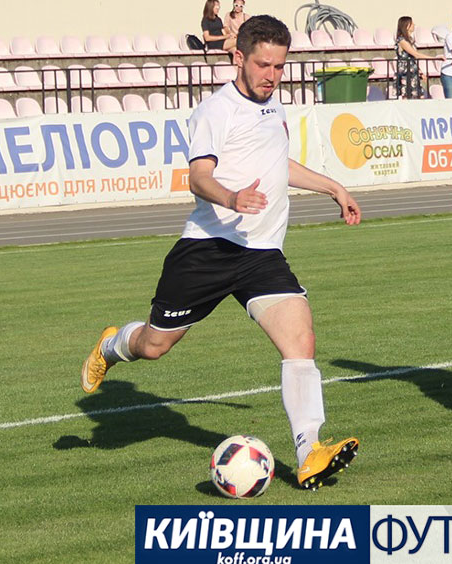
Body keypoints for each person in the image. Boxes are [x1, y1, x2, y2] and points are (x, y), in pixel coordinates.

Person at [81, 15, 362, 490]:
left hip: (261, 254)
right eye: (263, 65)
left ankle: (309, 451)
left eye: (279, 66)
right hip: (207, 250)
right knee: (154, 346)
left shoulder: (274, 107)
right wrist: (232, 199)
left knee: (301, 341)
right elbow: (198, 177)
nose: (272, 75)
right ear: (238, 58)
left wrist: (333, 187)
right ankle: (112, 344)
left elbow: (278, 163)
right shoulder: (215, 110)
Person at [394, 16, 431, 99]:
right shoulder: (402, 41)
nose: (414, 25)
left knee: (419, 96)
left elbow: (412, 59)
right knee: (407, 96)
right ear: (407, 26)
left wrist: (420, 72)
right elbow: (415, 54)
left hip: (412, 71)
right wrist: (433, 58)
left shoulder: (410, 39)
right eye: (412, 23)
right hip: (406, 72)